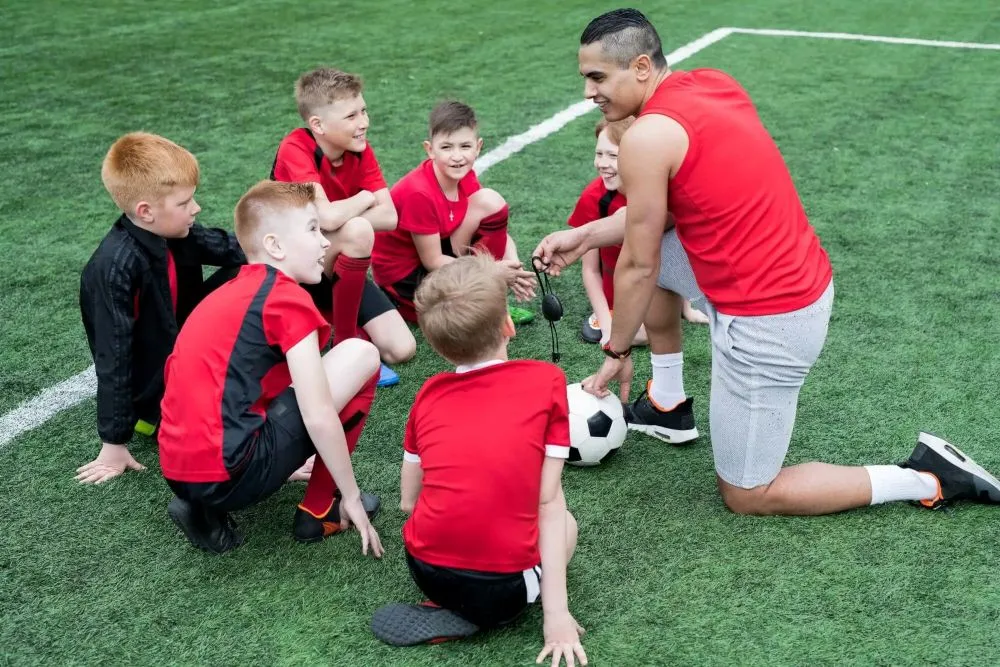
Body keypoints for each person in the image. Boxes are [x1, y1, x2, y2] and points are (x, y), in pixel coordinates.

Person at [533, 8, 1000, 515]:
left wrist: (617, 351)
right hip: (791, 277)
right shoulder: (710, 83)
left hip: (772, 321)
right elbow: (661, 224)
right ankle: (667, 403)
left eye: (597, 77)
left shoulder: (646, 139)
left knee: (749, 493)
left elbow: (640, 267)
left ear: (641, 67)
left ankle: (925, 477)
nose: (588, 93)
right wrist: (583, 235)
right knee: (647, 256)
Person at [370, 255, 586, 667]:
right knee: (566, 521)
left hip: (425, 568)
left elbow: (408, 502)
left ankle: (454, 605)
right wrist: (556, 615)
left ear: (435, 345)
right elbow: (547, 501)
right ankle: (493, 610)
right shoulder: (547, 381)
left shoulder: (428, 394)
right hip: (504, 588)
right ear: (509, 325)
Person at [157, 180, 383, 555]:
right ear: (275, 245)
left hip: (179, 468)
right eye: (313, 229)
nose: (326, 241)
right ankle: (321, 508)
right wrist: (353, 495)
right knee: (361, 354)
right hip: (230, 473)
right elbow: (319, 414)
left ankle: (204, 507)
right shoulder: (285, 298)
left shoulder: (229, 291)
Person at [77, 132, 245, 485]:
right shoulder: (114, 268)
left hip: (182, 341)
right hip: (155, 385)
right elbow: (114, 356)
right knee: (232, 417)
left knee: (253, 269)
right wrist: (114, 441)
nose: (195, 208)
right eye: (185, 203)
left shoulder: (174, 232)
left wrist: (287, 243)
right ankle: (155, 418)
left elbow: (234, 249)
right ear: (145, 211)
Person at [271, 66, 416, 376]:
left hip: (332, 262)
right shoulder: (296, 147)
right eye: (351, 117)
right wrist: (365, 198)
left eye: (363, 111)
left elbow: (389, 217)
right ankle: (345, 343)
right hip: (291, 271)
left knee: (402, 349)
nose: (364, 122)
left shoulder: (360, 151)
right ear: (317, 124)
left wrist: (339, 215)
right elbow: (325, 216)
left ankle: (339, 322)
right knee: (358, 229)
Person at [371, 100, 536, 324]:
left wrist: (513, 268)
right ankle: (481, 304)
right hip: (405, 278)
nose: (457, 156)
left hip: (440, 248)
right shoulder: (418, 192)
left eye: (465, 146)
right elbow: (432, 260)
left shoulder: (465, 174)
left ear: (478, 147)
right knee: (462, 317)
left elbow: (499, 232)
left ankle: (487, 300)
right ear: (430, 150)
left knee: (490, 202)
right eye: (446, 147)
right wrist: (490, 271)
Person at [570, 115, 707, 347]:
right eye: (599, 153)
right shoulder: (593, 198)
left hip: (660, 289)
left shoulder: (658, 192)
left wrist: (688, 308)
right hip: (624, 295)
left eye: (613, 156)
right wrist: (605, 323)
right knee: (642, 334)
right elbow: (590, 270)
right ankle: (614, 316)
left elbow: (676, 247)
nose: (603, 163)